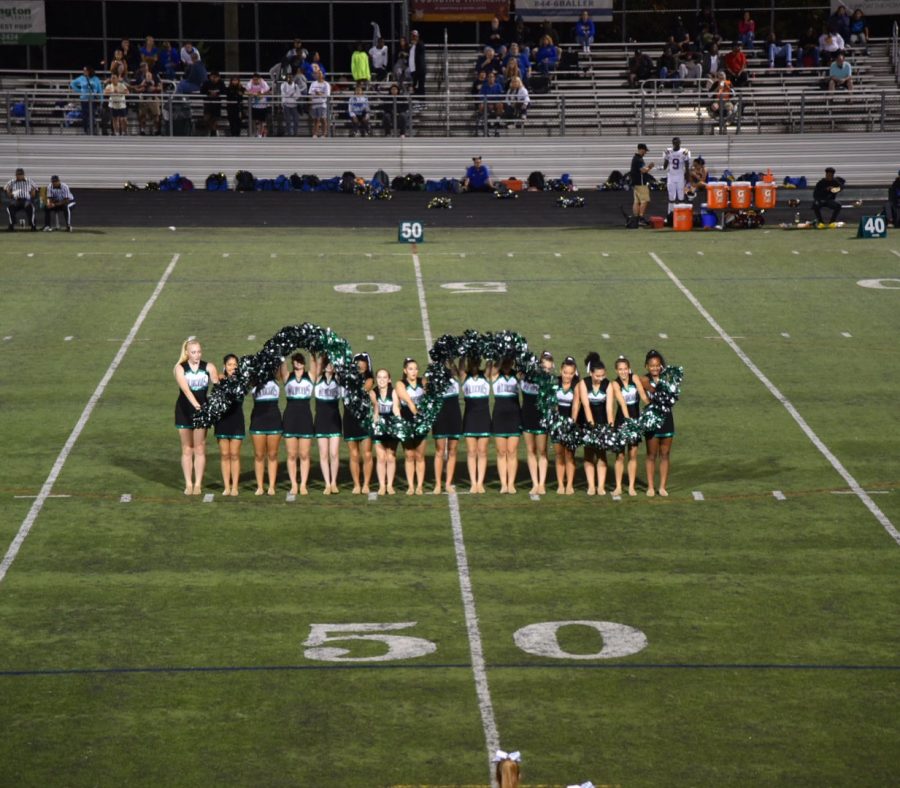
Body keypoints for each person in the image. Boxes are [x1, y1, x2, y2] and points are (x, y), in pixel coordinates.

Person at [173, 338, 219, 495]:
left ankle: (198, 483)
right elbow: (186, 390)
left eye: (199, 351)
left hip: (203, 411)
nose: (197, 355)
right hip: (185, 410)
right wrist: (198, 407)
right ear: (187, 353)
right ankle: (188, 483)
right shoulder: (180, 368)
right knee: (187, 448)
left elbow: (217, 383)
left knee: (199, 447)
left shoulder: (209, 367)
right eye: (193, 352)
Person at [609, 355, 649, 497]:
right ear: (616, 370)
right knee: (620, 456)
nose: (623, 372)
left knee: (633, 455)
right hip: (622, 422)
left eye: (625, 369)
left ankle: (631, 486)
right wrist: (628, 422)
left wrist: (651, 407)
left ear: (629, 368)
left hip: (635, 421)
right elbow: (622, 403)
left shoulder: (635, 378)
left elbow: (643, 396)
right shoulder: (615, 384)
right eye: (620, 369)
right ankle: (618, 486)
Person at [574, 352, 610, 496]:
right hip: (588, 422)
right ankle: (591, 486)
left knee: (601, 454)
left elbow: (609, 408)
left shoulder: (608, 384)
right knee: (588, 454)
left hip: (602, 421)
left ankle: (601, 486)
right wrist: (591, 426)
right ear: (591, 373)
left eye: (602, 375)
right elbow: (586, 406)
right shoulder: (584, 383)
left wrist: (610, 426)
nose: (600, 378)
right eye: (597, 376)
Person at [281, 352, 314, 496]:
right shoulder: (287, 376)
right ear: (292, 362)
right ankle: (294, 484)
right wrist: (282, 353)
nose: (298, 363)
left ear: (304, 363)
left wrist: (313, 352)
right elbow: (281, 366)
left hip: (305, 417)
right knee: (291, 454)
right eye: (295, 361)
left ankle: (303, 484)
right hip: (290, 417)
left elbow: (315, 363)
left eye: (300, 361)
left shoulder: (310, 376)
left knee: (305, 454)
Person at [641, 350, 673, 497]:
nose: (654, 368)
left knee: (665, 454)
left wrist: (654, 388)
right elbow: (647, 396)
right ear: (646, 366)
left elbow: (669, 400)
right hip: (652, 421)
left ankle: (662, 487)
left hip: (667, 420)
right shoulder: (643, 380)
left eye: (657, 365)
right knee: (651, 455)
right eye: (652, 365)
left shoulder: (667, 379)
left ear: (661, 366)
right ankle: (651, 487)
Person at [520, 351, 552, 495]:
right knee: (531, 450)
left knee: (542, 451)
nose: (547, 370)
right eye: (544, 367)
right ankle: (534, 483)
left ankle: (542, 484)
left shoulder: (550, 381)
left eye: (549, 368)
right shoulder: (526, 377)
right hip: (527, 416)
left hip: (541, 418)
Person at [343, 353, 374, 495]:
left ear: (368, 365)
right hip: (349, 418)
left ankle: (366, 484)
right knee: (354, 454)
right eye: (358, 362)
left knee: (367, 454)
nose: (360, 365)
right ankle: (356, 484)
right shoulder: (346, 380)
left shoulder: (369, 379)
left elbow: (363, 389)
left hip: (365, 419)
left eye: (363, 362)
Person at [490, 357, 522, 495]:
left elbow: (524, 368)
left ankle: (511, 484)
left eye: (510, 362)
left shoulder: (517, 375)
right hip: (499, 416)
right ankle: (503, 484)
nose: (508, 364)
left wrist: (515, 354)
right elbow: (493, 367)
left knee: (512, 452)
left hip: (514, 416)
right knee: (501, 452)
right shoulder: (495, 374)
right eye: (505, 362)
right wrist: (502, 356)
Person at [395, 357, 426, 495]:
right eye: (410, 369)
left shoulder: (423, 382)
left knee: (419, 455)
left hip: (420, 423)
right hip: (406, 422)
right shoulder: (400, 383)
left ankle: (419, 486)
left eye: (416, 368)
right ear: (405, 370)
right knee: (409, 455)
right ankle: (410, 486)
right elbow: (403, 395)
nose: (414, 371)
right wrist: (411, 404)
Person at [215, 354, 245, 496]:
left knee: (234, 454)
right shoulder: (220, 381)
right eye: (229, 364)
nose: (232, 367)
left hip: (237, 420)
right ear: (225, 367)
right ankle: (226, 487)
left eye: (234, 364)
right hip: (222, 421)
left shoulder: (242, 381)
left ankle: (235, 487)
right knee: (225, 454)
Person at [461, 356, 491, 494]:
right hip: (470, 417)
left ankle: (480, 482)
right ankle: (473, 483)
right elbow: (460, 366)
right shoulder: (464, 376)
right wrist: (463, 354)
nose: (474, 364)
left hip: (484, 416)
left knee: (482, 451)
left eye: (476, 361)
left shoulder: (485, 374)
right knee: (472, 452)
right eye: (471, 361)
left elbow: (493, 366)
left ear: (479, 362)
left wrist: (491, 354)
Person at [431, 361, 462, 495]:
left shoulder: (454, 374)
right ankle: (438, 483)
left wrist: (450, 359)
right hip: (440, 415)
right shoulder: (434, 377)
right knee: (440, 450)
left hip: (454, 414)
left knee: (453, 450)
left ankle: (448, 483)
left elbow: (459, 371)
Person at [313, 354, 342, 494]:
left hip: (334, 420)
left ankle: (334, 482)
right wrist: (322, 354)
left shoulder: (338, 379)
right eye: (328, 364)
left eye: (332, 364)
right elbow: (318, 364)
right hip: (321, 420)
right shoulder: (318, 379)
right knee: (323, 454)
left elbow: (342, 367)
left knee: (334, 453)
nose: (330, 366)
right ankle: (327, 484)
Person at [249, 374, 282, 496]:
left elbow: (281, 368)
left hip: (274, 419)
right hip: (258, 419)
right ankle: (260, 486)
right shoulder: (254, 380)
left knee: (272, 454)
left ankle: (272, 486)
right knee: (259, 455)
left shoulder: (276, 377)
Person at [371, 368, 401, 495]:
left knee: (390, 456)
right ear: (376, 379)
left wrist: (399, 421)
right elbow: (375, 408)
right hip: (378, 425)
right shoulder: (373, 392)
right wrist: (376, 422)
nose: (381, 380)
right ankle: (382, 486)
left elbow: (395, 408)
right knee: (381, 457)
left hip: (391, 425)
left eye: (384, 377)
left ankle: (390, 485)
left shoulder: (393, 392)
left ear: (389, 380)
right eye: (379, 377)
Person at [553, 356, 579, 495]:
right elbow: (553, 404)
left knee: (569, 455)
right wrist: (557, 422)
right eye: (565, 372)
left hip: (570, 423)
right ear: (561, 371)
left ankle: (569, 484)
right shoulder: (555, 383)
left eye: (570, 373)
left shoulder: (576, 385)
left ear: (574, 373)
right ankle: (560, 484)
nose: (567, 376)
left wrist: (571, 424)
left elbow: (575, 406)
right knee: (559, 455)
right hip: (557, 423)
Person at [70, 66, 103, 134]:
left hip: (93, 100)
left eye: (85, 70)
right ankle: (86, 130)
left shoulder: (96, 79)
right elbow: (72, 84)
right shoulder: (81, 78)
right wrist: (79, 91)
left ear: (89, 71)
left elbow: (100, 90)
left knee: (92, 115)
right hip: (84, 99)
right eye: (83, 70)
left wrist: (101, 100)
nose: (84, 72)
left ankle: (92, 130)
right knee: (85, 115)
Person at [663, 136, 691, 215]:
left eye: (677, 143)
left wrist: (688, 180)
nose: (676, 144)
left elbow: (687, 167)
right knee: (671, 196)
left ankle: (681, 213)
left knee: (681, 196)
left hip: (680, 176)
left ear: (680, 143)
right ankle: (670, 214)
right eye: (675, 143)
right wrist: (662, 166)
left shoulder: (685, 152)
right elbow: (665, 166)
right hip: (671, 176)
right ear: (672, 143)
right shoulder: (668, 151)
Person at [132, 62, 161, 135]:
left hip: (153, 97)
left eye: (145, 67)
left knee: (156, 115)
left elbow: (160, 87)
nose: (144, 68)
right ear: (141, 68)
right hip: (143, 97)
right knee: (142, 116)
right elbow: (135, 88)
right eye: (142, 67)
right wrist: (140, 87)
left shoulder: (154, 76)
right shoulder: (139, 77)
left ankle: (156, 130)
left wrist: (154, 88)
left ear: (148, 67)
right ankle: (142, 130)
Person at [630, 143, 654, 225]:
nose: (645, 153)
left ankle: (636, 219)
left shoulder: (634, 158)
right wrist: (650, 167)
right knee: (645, 200)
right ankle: (641, 218)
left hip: (635, 183)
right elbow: (643, 170)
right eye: (645, 151)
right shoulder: (639, 159)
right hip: (641, 183)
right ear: (641, 149)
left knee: (636, 201)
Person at [245, 73, 271, 137]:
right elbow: (246, 91)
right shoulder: (250, 83)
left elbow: (268, 91)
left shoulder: (263, 83)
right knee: (254, 120)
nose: (255, 81)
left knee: (262, 121)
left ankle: (260, 133)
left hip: (262, 106)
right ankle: (255, 132)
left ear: (259, 79)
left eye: (256, 79)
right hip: (254, 106)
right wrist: (253, 93)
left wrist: (261, 93)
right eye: (254, 80)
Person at [479, 72, 505, 136]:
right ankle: (483, 121)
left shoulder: (498, 85)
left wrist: (495, 101)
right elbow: (481, 96)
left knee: (500, 104)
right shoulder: (484, 86)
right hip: (487, 103)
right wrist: (487, 102)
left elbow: (501, 96)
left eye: (492, 77)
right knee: (481, 105)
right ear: (487, 78)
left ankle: (497, 121)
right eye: (489, 77)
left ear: (494, 78)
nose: (491, 78)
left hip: (496, 103)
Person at [308, 67, 331, 138]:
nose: (319, 75)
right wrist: (310, 103)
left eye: (320, 73)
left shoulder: (326, 84)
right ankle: (315, 133)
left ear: (323, 75)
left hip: (322, 104)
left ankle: (324, 134)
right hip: (314, 104)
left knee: (323, 119)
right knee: (315, 119)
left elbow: (327, 95)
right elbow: (310, 94)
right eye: (317, 74)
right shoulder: (313, 83)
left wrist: (320, 94)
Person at [200, 70, 225, 136]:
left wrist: (217, 93)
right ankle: (210, 130)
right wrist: (209, 93)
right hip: (208, 103)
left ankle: (213, 132)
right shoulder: (206, 83)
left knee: (215, 118)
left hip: (217, 104)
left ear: (218, 77)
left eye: (216, 77)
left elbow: (224, 91)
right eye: (212, 77)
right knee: (207, 118)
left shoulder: (221, 83)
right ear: (210, 77)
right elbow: (202, 91)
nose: (214, 78)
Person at [409, 30, 426, 97]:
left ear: (418, 36)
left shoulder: (420, 44)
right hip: (413, 70)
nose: (413, 38)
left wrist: (417, 42)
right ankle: (416, 104)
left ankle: (422, 104)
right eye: (412, 36)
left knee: (421, 87)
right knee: (414, 88)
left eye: (415, 36)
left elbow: (422, 47)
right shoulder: (411, 46)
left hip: (420, 70)